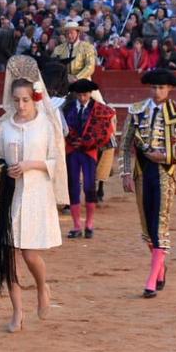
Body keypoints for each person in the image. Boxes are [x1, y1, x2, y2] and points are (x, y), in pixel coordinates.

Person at [0, 56, 68, 332]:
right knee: (8, 254)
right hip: (10, 194)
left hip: (35, 193)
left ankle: (43, 287)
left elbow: (55, 162)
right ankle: (17, 311)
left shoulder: (45, 124)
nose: (20, 105)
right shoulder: (4, 125)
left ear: (34, 99)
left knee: (30, 254)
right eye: (17, 100)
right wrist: (4, 170)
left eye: (25, 100)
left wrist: (31, 165)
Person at [120, 68, 176, 299]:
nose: (157, 91)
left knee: (159, 224)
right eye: (153, 87)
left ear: (169, 89)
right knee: (146, 226)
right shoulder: (137, 111)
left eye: (161, 87)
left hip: (164, 173)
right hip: (142, 173)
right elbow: (125, 144)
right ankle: (160, 266)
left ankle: (152, 279)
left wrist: (166, 157)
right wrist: (125, 173)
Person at [62, 78, 114, 239]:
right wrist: (74, 140)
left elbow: (103, 131)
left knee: (90, 187)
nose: (82, 98)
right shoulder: (68, 108)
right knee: (73, 187)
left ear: (90, 94)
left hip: (89, 151)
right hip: (72, 150)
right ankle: (77, 225)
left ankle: (89, 224)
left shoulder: (99, 109)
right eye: (79, 95)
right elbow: (62, 127)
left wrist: (85, 142)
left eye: (85, 95)